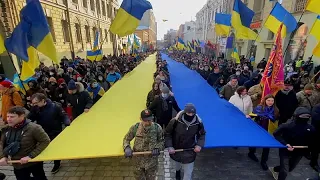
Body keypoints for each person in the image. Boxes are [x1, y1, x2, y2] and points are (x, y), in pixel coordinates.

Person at [0, 106, 50, 180]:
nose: (8, 119)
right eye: (8, 116)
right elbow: (2, 144)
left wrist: (30, 156)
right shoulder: (6, 129)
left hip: (34, 162)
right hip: (17, 165)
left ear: (22, 116)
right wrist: (3, 156)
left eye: (12, 117)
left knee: (40, 177)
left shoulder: (34, 128)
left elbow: (45, 141)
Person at [28, 93, 70, 173]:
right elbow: (30, 118)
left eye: (36, 103)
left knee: (55, 149)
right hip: (42, 132)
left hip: (55, 131)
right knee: (41, 149)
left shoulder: (55, 106)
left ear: (43, 100)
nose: (34, 105)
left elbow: (63, 115)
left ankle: (57, 163)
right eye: (33, 103)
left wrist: (66, 121)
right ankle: (39, 166)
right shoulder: (35, 108)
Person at [270, 107, 316, 180]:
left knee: (290, 168)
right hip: (285, 150)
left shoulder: (310, 128)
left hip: (299, 152)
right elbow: (276, 134)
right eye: (302, 116)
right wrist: (285, 144)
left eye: (307, 116)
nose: (305, 118)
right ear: (296, 116)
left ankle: (275, 169)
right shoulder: (287, 125)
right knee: (284, 170)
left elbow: (312, 140)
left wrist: (309, 151)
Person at [165, 103, 206, 180]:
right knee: (177, 165)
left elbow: (202, 135)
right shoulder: (175, 121)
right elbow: (168, 133)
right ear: (184, 112)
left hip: (189, 151)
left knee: (188, 173)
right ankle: (178, 172)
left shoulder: (198, 123)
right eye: (188, 113)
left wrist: (199, 145)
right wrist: (170, 146)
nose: (190, 115)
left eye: (192, 113)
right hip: (176, 149)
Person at [123, 109, 163, 180]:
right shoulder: (135, 127)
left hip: (151, 163)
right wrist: (127, 147)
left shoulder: (157, 128)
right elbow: (126, 139)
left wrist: (158, 148)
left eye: (150, 120)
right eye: (145, 120)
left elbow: (162, 141)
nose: (148, 122)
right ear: (140, 119)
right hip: (138, 163)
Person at [249, 94, 279, 170]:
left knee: (267, 146)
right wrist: (249, 116)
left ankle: (263, 161)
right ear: (265, 100)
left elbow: (276, 119)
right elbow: (253, 115)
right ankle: (251, 153)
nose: (270, 102)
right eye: (268, 100)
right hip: (258, 128)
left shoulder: (275, 110)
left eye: (272, 101)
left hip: (268, 130)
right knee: (254, 142)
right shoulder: (259, 108)